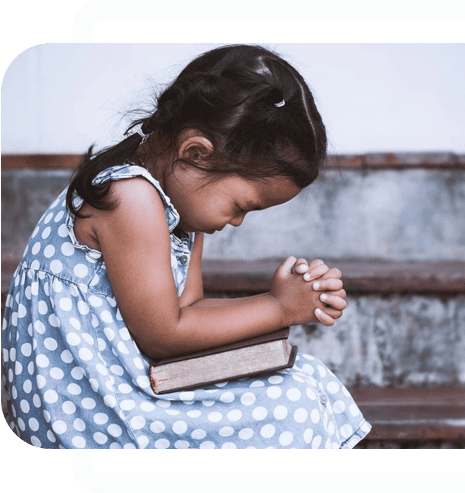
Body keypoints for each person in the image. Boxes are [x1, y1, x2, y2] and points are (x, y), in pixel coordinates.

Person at [1, 44, 371, 449]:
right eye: (240, 205)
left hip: (125, 387)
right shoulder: (131, 198)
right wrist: (279, 307)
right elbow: (164, 334)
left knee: (308, 380)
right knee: (292, 409)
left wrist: (286, 300)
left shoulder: (179, 202)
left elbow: (187, 311)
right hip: (87, 411)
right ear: (196, 153)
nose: (237, 222)